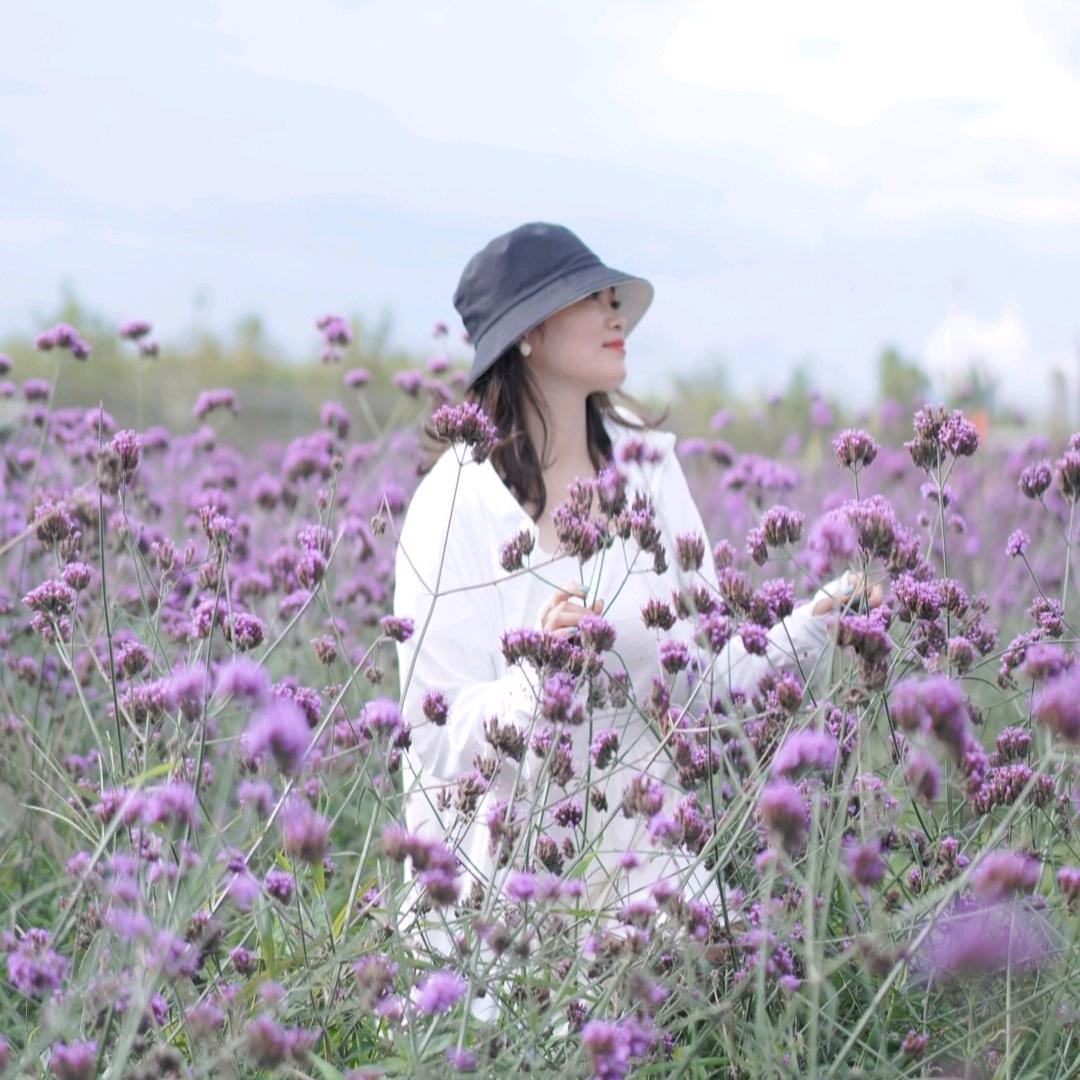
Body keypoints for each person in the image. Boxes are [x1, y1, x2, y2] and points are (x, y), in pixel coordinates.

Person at [392, 222, 874, 927]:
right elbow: (430, 735)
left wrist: (815, 626)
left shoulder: (648, 468)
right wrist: (539, 678)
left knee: (734, 953)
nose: (614, 313)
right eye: (589, 298)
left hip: (647, 867)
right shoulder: (454, 502)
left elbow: (707, 674)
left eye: (612, 297)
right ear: (528, 332)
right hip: (499, 898)